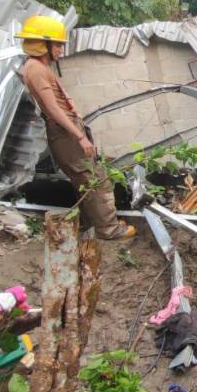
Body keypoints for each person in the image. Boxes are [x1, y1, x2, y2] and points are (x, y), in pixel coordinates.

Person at [17, 15, 135, 240]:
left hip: (66, 133)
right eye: (58, 45)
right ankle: (109, 230)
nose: (61, 50)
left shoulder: (36, 67)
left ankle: (97, 224)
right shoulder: (36, 70)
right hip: (66, 135)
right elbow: (53, 109)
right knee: (96, 181)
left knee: (87, 181)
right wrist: (79, 137)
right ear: (44, 44)